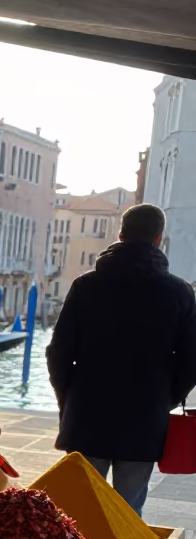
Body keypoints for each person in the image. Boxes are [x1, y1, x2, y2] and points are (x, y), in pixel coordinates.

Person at [47, 203, 196, 515]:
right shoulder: (180, 292)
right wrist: (165, 400)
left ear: (120, 234)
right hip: (145, 418)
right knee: (125, 517)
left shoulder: (85, 285)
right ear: (159, 239)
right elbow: (190, 361)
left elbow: (59, 353)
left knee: (78, 515)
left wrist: (68, 398)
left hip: (87, 414)